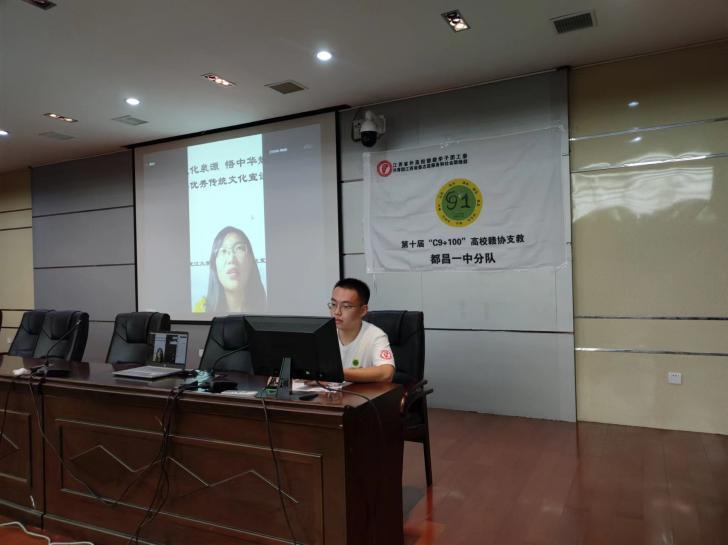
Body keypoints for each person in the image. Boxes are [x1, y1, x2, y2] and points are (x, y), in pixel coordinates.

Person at [328, 278, 395, 383]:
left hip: (358, 393)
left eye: (346, 306)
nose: (337, 312)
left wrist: (337, 374)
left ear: (363, 310)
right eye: (333, 304)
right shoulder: (323, 334)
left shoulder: (375, 336)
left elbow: (386, 373)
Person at [194, 226, 267, 314]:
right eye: (223, 251)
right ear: (214, 265)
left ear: (251, 260)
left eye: (239, 248)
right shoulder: (201, 309)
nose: (231, 259)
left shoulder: (268, 307)